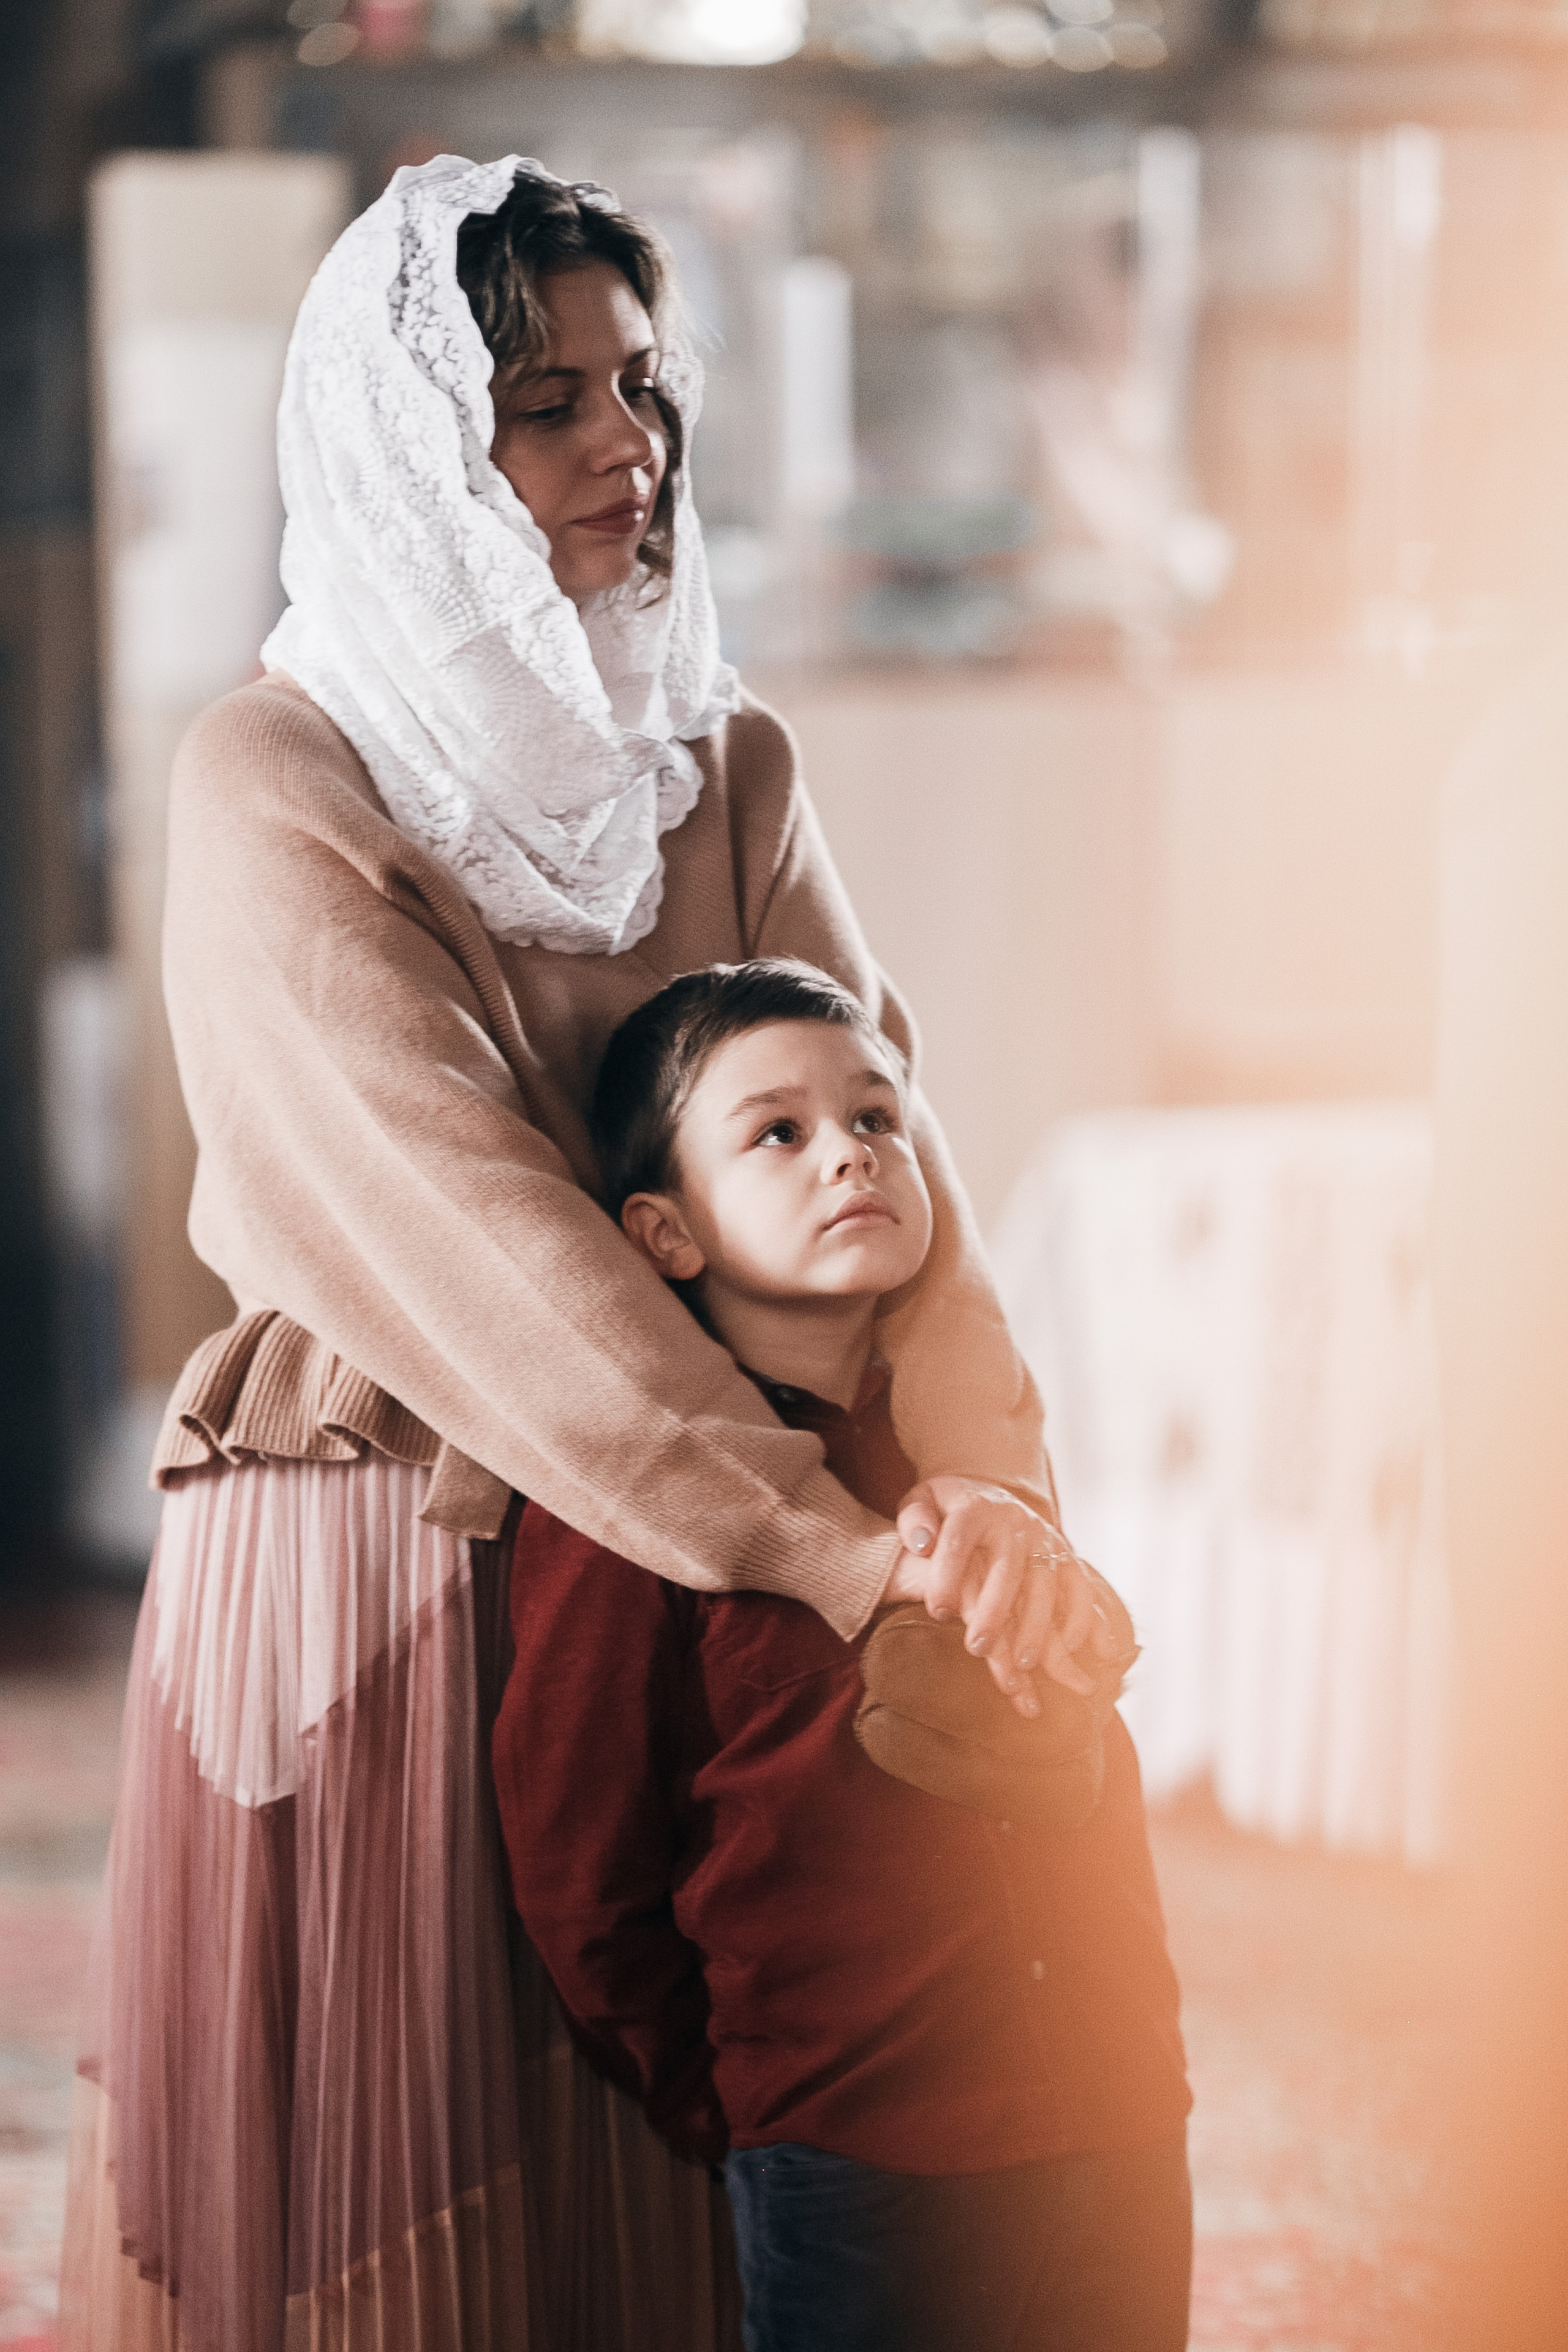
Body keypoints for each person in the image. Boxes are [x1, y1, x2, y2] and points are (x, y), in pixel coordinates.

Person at [58, 157, 1104, 2352]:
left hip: (725, 1575)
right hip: (405, 1568)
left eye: (643, 385)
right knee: (430, 2209)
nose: (627, 446)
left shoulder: (721, 762)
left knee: (705, 2166)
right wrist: (834, 1553)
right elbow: (479, 1240)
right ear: (417, 450)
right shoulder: (280, 775)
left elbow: (895, 1141)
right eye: (545, 404)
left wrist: (992, 1484)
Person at [492, 958, 1191, 2352]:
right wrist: (749, 2104)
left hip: (1116, 2109)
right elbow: (582, 1865)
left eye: (877, 1117)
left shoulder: (974, 1459)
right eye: (778, 1133)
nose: (850, 1155)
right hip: (856, 2150)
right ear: (663, 1233)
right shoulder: (640, 1513)